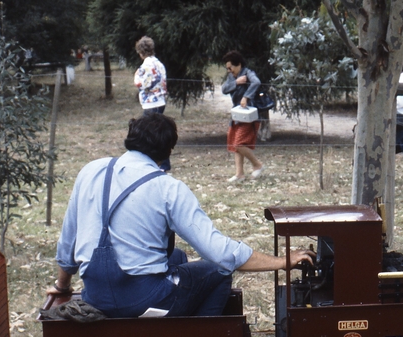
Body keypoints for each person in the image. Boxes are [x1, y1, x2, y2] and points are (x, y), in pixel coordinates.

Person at [48, 114, 314, 318]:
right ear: (168, 151)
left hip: (96, 296)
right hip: (143, 300)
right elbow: (220, 253)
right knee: (218, 271)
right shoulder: (167, 187)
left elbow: (68, 243)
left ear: (130, 139)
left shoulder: (90, 171)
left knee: (178, 259)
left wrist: (62, 287)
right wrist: (282, 261)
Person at [221, 51, 264, 182]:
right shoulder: (232, 77)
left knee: (239, 144)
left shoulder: (248, 73)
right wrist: (236, 83)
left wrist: (246, 96)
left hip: (249, 116)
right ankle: (239, 173)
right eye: (227, 68)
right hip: (237, 115)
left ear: (238, 64)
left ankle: (258, 165)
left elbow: (256, 82)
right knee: (235, 144)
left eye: (231, 68)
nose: (229, 71)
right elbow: (224, 89)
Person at [133, 36, 170, 172]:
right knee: (158, 132)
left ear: (141, 51)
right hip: (160, 101)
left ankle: (159, 163)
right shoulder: (159, 63)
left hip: (150, 103)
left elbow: (144, 84)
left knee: (151, 135)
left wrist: (137, 76)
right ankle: (163, 163)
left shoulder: (146, 65)